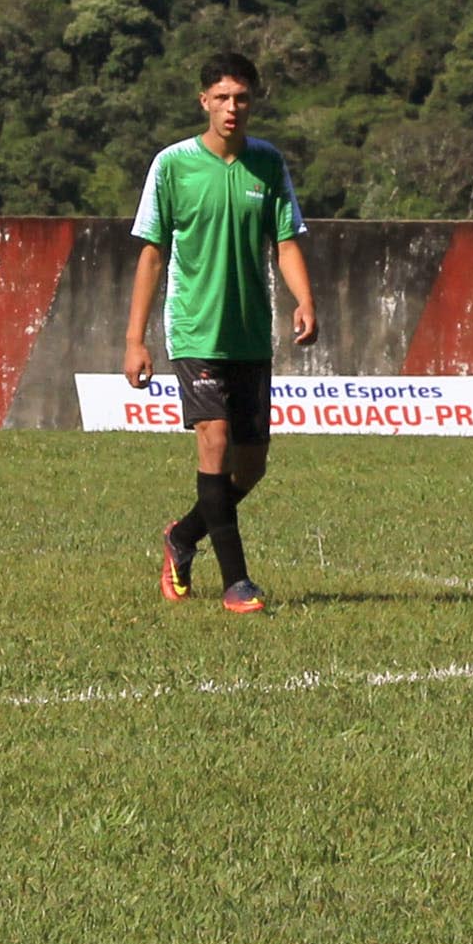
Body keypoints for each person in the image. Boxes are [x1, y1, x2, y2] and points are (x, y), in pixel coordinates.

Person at [122, 51, 317, 614]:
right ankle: (237, 583)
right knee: (213, 438)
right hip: (194, 330)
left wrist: (305, 299)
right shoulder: (173, 165)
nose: (233, 108)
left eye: (243, 98)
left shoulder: (267, 163)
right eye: (223, 97)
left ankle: (183, 536)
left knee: (250, 464)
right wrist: (136, 340)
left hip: (250, 334)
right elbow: (153, 254)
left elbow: (284, 242)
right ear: (204, 101)